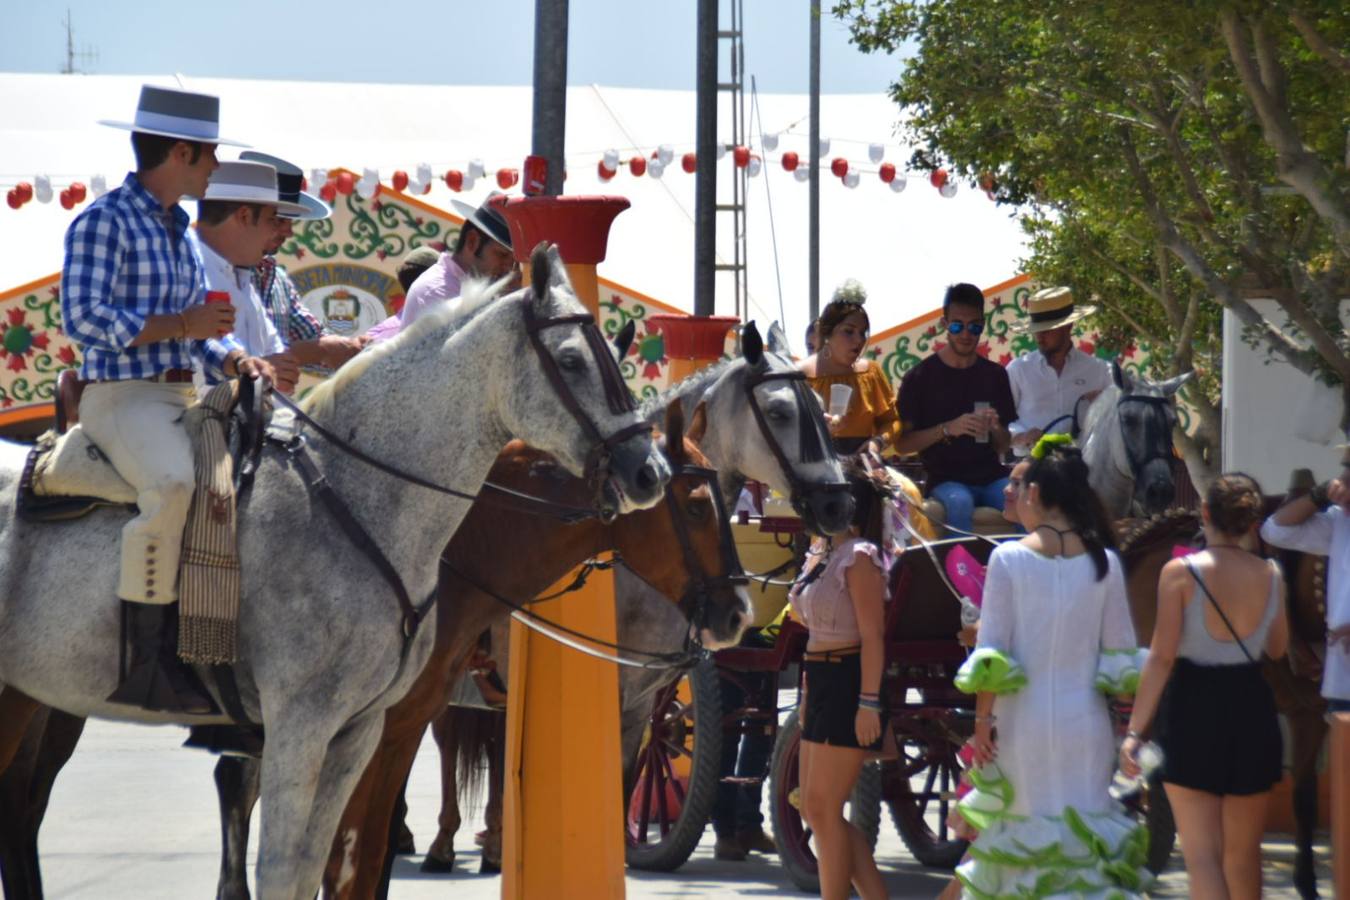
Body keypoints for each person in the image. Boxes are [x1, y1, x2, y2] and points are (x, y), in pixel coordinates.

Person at [60, 85, 272, 714]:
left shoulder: (180, 231)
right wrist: (183, 325)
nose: (215, 168)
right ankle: (146, 664)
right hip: (119, 397)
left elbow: (202, 328)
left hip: (181, 396)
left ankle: (214, 643)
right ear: (180, 152)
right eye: (209, 156)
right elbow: (83, 320)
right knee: (176, 485)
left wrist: (236, 356)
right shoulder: (103, 220)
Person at [954, 436, 1149, 898]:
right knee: (1083, 849)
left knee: (1023, 849)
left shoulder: (1009, 558)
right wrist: (1132, 732)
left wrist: (982, 724)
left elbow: (992, 654)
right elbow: (1122, 660)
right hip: (1087, 725)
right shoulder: (1106, 563)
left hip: (1023, 722)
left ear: (1036, 494)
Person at [1122, 473, 1290, 899]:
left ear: (1205, 513)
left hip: (1192, 708)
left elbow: (1161, 657)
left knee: (1202, 858)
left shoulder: (1179, 573)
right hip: (1251, 707)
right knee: (1243, 856)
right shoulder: (1272, 574)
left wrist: (1134, 733)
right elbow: (1277, 647)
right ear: (1251, 522)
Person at [790, 460, 891, 900]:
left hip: (851, 679)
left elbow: (873, 635)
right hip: (823, 676)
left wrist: (869, 701)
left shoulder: (860, 556)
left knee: (823, 809)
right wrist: (810, 692)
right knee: (816, 808)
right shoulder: (821, 551)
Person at [895, 283, 1015, 534]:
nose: (966, 334)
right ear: (944, 323)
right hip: (946, 479)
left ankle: (1021, 569)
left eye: (974, 326)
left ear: (983, 324)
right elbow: (902, 445)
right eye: (958, 325)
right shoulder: (920, 377)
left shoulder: (995, 375)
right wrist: (948, 429)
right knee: (959, 503)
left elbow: (1004, 445)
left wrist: (995, 428)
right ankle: (959, 572)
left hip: (992, 476)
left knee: (1025, 502)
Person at [239, 151, 366, 370]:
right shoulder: (216, 269)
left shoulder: (277, 278)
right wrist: (321, 349)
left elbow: (312, 335)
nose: (289, 232)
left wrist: (353, 347)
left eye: (291, 221)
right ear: (244, 216)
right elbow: (223, 352)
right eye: (278, 220)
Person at [192, 160, 306, 393]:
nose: (276, 230)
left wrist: (277, 369)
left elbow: (275, 352)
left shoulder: (241, 276)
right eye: (272, 220)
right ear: (244, 216)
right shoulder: (188, 266)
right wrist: (260, 368)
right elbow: (188, 359)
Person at [1260, 443, 1350, 713]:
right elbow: (1274, 531)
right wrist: (1319, 494)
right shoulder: (1339, 521)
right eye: (1345, 470)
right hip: (1342, 683)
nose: (1344, 478)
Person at [363, 194, 516, 342]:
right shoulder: (438, 292)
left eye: (514, 260)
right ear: (472, 241)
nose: (509, 267)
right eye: (502, 255)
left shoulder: (455, 286)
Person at [799, 280, 902, 457]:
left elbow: (893, 421)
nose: (859, 340)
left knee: (906, 486)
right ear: (827, 332)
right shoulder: (799, 375)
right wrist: (818, 430)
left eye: (863, 333)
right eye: (849, 331)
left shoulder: (871, 372)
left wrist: (877, 442)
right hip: (813, 468)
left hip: (863, 465)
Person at [1005, 286, 1110, 454]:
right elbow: (1000, 421)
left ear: (1068, 326)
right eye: (1036, 330)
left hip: (1082, 467)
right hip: (1031, 466)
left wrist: (1105, 403)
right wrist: (1021, 436)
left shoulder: (1099, 371)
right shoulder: (1018, 370)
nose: (1039, 337)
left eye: (1047, 330)